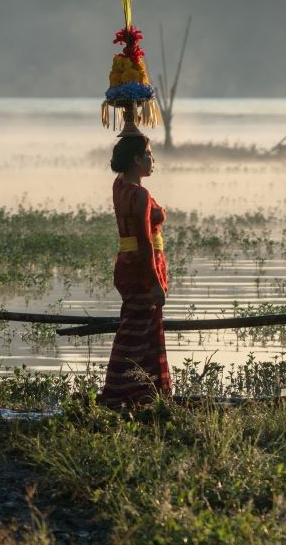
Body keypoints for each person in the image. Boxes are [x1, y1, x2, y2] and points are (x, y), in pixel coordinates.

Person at [99, 132, 171, 408]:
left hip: (127, 268)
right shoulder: (138, 194)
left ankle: (141, 394)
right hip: (141, 271)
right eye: (149, 154)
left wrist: (132, 126)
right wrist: (154, 282)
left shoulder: (120, 186)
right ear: (137, 159)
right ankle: (125, 393)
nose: (153, 160)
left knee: (137, 331)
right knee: (137, 335)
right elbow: (144, 243)